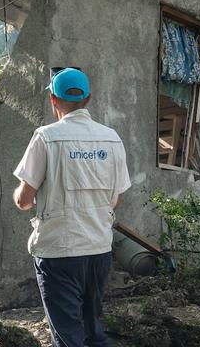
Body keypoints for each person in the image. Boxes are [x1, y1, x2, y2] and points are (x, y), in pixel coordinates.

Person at [12, 68, 131, 347]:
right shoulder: (112, 139)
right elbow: (116, 199)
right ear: (87, 99)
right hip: (99, 251)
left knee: (68, 338)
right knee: (93, 332)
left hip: (59, 253)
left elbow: (23, 200)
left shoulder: (46, 137)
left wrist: (24, 193)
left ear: (53, 100)